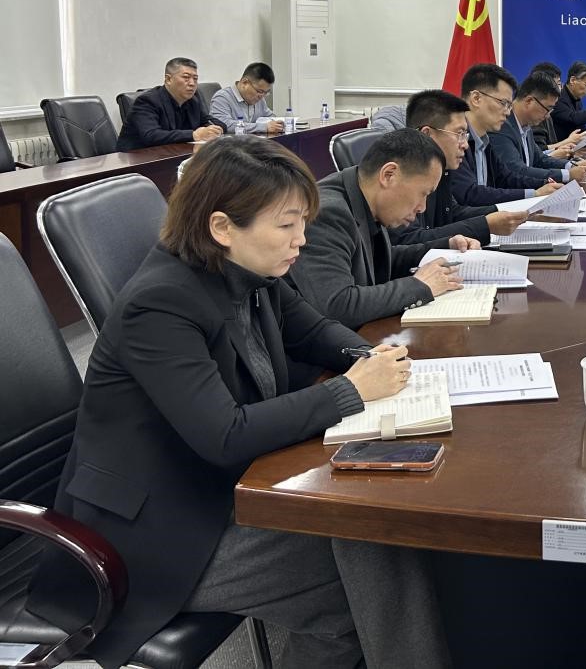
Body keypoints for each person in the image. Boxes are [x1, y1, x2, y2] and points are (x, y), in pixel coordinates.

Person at [25, 136, 449, 669]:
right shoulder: (160, 304)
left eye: (303, 222)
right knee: (373, 554)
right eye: (287, 225)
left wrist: (375, 359)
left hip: (220, 492)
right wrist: (351, 390)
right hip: (151, 531)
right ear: (222, 226)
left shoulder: (249, 270)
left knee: (368, 552)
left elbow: (313, 331)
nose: (301, 239)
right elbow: (224, 435)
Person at [288, 128, 471, 327]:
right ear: (389, 175)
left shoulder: (364, 197)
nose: (422, 207)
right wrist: (419, 286)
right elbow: (338, 305)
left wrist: (445, 246)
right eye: (423, 193)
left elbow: (381, 260)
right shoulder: (328, 213)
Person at [390, 89, 529, 246]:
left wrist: (512, 213)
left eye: (465, 135)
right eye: (459, 134)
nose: (465, 145)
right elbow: (409, 240)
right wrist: (486, 225)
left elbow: (453, 213)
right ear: (427, 135)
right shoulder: (398, 175)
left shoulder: (442, 171)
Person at [448, 64, 562, 207]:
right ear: (476, 98)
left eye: (509, 105)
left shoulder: (484, 140)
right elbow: (470, 194)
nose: (508, 112)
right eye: (503, 103)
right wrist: (534, 194)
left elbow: (505, 177)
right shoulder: (453, 140)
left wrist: (545, 184)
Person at [490, 72, 586, 186]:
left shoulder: (525, 125)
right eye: (547, 109)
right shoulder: (502, 126)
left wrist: (571, 165)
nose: (548, 116)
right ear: (529, 101)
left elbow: (540, 159)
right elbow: (517, 171)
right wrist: (567, 174)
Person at [116, 56, 223, 150]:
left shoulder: (193, 100)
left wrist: (215, 129)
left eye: (195, 79)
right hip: (138, 159)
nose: (192, 83)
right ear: (168, 79)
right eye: (186, 77)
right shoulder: (147, 101)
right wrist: (194, 134)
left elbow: (209, 121)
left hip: (175, 153)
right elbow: (151, 135)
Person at [210, 61, 283, 135]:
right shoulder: (222, 98)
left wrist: (279, 123)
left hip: (253, 141)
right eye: (260, 91)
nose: (262, 96)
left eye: (266, 92)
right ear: (245, 82)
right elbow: (224, 125)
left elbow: (270, 117)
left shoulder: (260, 98)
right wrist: (263, 127)